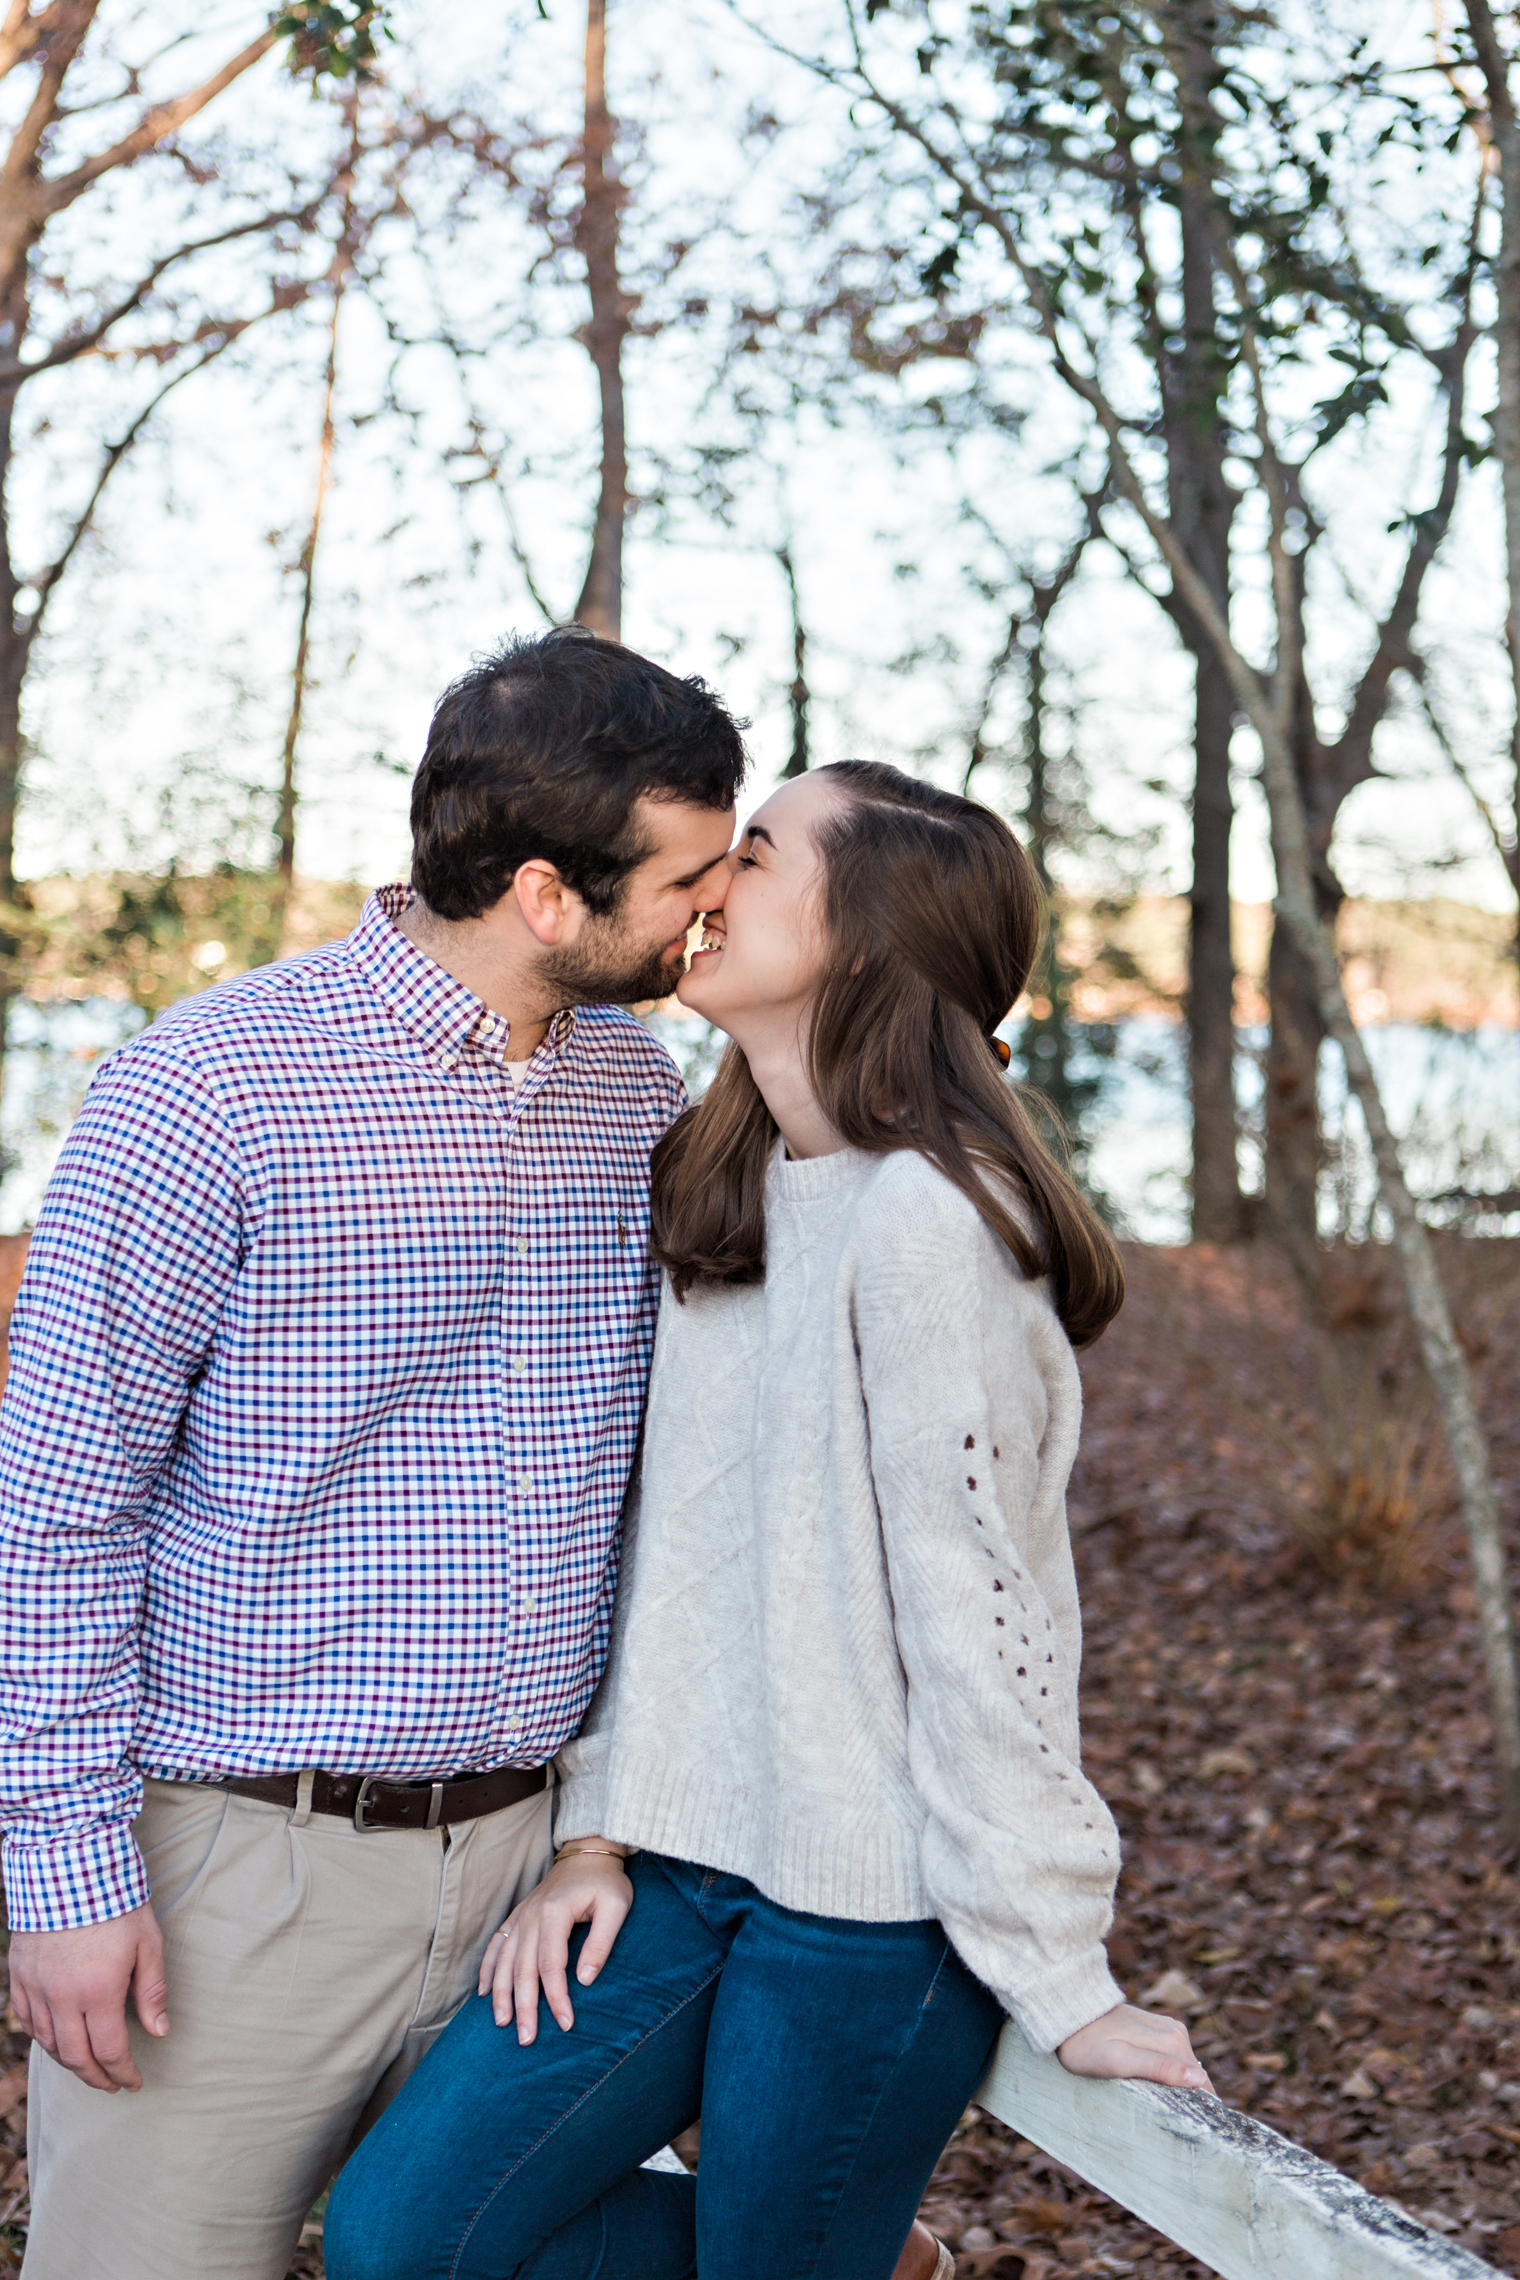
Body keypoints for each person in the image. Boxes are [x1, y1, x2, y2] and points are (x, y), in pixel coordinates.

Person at [323, 761, 1212, 2280]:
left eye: (756, 852)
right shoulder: (720, 1189)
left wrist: (1062, 1969)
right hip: (680, 1868)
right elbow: (663, 1559)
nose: (710, 883)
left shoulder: (934, 1224)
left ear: (866, 934)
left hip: (871, 1916)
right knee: (401, 2234)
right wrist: (598, 1832)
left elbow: (985, 1617)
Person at [0, 627, 746, 2280]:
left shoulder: (640, 1093)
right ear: (550, 895)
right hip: (237, 1877)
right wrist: (60, 1877)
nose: (720, 907)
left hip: (538, 1888)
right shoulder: (207, 1088)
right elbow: (53, 1511)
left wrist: (602, 1825)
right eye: (693, 874)